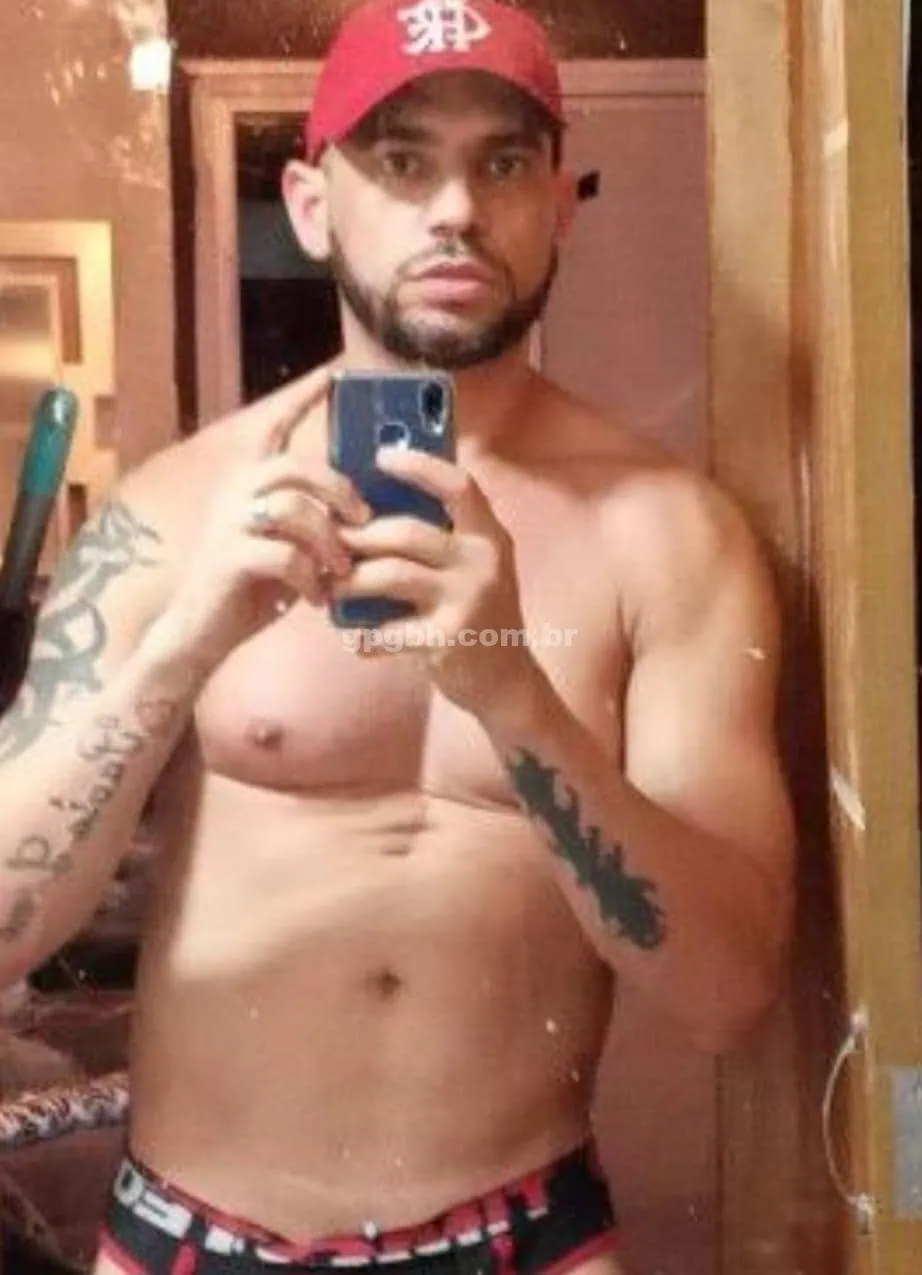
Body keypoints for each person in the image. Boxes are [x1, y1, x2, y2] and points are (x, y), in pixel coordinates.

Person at [0, 1, 796, 1272]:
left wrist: (517, 702)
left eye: (502, 163)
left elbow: (726, 994)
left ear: (559, 205)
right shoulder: (176, 516)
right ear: (313, 206)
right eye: (403, 161)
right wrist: (177, 655)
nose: (456, 210)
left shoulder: (668, 538)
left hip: (521, 1237)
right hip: (192, 1237)